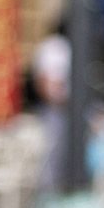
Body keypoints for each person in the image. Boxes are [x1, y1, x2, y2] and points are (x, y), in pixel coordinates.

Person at [30, 19, 70, 190]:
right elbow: (44, 80)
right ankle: (48, 190)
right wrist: (56, 99)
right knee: (51, 150)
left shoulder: (60, 47)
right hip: (53, 109)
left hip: (64, 108)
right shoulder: (52, 47)